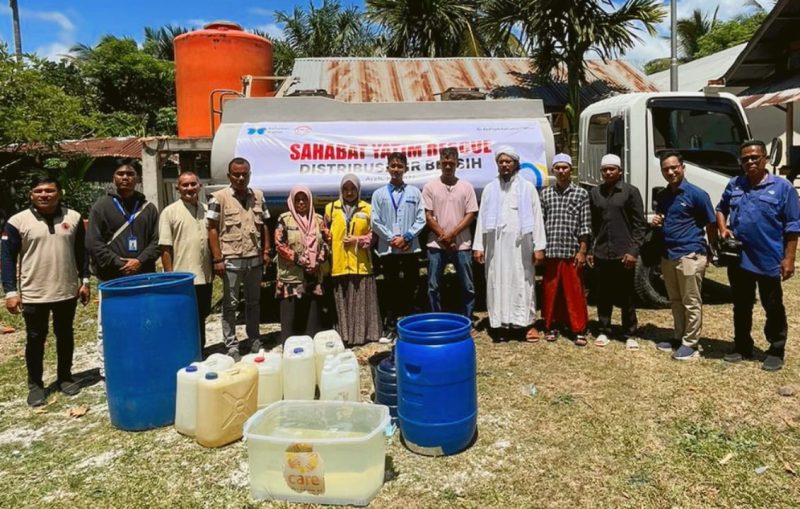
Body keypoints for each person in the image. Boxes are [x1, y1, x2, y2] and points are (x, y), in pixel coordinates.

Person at [2, 176, 91, 406]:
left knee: (65, 334)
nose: (44, 195)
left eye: (50, 190)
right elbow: (7, 258)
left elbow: (82, 252)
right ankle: (36, 385)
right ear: (31, 194)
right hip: (34, 291)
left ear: (59, 193)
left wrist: (86, 281)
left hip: (66, 289)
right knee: (34, 338)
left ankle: (65, 377)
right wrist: (10, 291)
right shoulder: (17, 221)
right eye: (39, 191)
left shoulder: (73, 217)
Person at [716, 139, 800, 371]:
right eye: (745, 159)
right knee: (741, 305)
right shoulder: (734, 185)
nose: (750, 161)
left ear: (765, 158)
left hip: (768, 258)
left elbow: (793, 226)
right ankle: (742, 345)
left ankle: (776, 348)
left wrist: (789, 259)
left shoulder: (783, 188)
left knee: (772, 305)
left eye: (755, 157)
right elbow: (721, 208)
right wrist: (723, 229)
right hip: (739, 259)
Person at [87, 160, 159, 374]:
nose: (125, 177)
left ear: (137, 178)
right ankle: (107, 368)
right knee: (108, 325)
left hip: (143, 275)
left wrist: (139, 261)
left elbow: (157, 241)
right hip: (112, 278)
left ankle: (143, 362)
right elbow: (93, 242)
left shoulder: (148, 208)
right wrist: (119, 263)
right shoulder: (101, 207)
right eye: (120, 173)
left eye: (130, 174)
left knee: (144, 321)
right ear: (113, 178)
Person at [473, 146, 546, 341]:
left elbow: (537, 217)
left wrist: (539, 246)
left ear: (515, 164)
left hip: (521, 247)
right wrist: (479, 245)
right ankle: (501, 325)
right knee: (497, 282)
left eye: (508, 161)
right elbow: (482, 218)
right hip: (495, 247)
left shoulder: (527, 188)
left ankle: (525, 324)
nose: (504, 165)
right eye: (501, 162)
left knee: (523, 282)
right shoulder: (490, 189)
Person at [651, 151, 717, 360]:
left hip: (689, 254)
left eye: (674, 167)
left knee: (691, 301)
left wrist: (710, 249)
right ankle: (678, 336)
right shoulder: (663, 196)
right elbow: (663, 217)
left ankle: (691, 343)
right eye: (666, 169)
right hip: (669, 255)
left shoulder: (697, 194)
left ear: (682, 167)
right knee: (675, 300)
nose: (670, 172)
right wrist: (657, 221)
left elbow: (711, 223)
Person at [208, 157, 272, 361]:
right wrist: (217, 258)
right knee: (230, 304)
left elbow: (264, 226)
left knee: (254, 302)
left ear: (250, 174)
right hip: (231, 259)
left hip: (254, 258)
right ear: (229, 176)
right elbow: (212, 229)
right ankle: (232, 344)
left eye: (245, 173)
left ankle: (254, 339)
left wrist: (266, 251)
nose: (241, 177)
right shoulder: (218, 198)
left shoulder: (258, 196)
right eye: (236, 174)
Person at [587, 154, 646, 349]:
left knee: (626, 294)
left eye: (612, 169)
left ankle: (629, 333)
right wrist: (589, 249)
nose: (608, 172)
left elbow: (639, 225)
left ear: (620, 171)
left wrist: (633, 251)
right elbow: (593, 224)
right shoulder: (595, 193)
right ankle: (604, 329)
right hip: (603, 252)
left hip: (624, 252)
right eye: (605, 169)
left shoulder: (630, 192)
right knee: (603, 293)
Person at [371, 152, 426, 341]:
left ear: (405, 169)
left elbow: (421, 218)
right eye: (393, 166)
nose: (396, 170)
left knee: (412, 287)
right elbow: (375, 221)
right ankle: (390, 326)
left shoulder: (414, 192)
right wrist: (392, 238)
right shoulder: (379, 194)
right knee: (390, 288)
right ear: (387, 168)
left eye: (399, 166)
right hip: (388, 249)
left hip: (410, 248)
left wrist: (407, 236)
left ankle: (412, 326)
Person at [422, 147, 479, 325]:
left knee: (467, 284)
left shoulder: (466, 187)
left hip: (461, 244)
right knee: (433, 285)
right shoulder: (430, 186)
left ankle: (467, 319)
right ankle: (436, 319)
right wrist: (443, 236)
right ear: (439, 163)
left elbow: (471, 214)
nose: (448, 166)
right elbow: (427, 215)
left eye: (451, 163)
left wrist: (452, 234)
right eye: (444, 163)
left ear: (457, 163)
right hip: (436, 245)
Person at [539, 153, 591, 345]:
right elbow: (541, 223)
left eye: (565, 167)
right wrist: (540, 249)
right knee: (551, 291)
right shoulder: (545, 194)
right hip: (551, 250)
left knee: (574, 291)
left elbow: (585, 225)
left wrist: (583, 250)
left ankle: (578, 328)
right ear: (553, 170)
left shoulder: (581, 194)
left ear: (571, 169)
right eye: (558, 168)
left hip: (572, 251)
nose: (561, 171)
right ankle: (551, 325)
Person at [325, 174, 382, 346]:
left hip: (360, 262)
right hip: (339, 262)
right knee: (341, 301)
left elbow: (375, 235)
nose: (349, 193)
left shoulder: (367, 209)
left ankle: (364, 336)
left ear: (358, 190)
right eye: (346, 189)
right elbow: (324, 232)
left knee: (361, 300)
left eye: (353, 189)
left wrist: (358, 240)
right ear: (341, 190)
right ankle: (344, 336)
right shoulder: (331, 208)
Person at [159, 171, 213, 352]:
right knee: (184, 316)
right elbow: (165, 247)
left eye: (193, 184)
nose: (189, 188)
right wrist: (170, 276)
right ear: (177, 188)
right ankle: (184, 350)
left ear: (200, 186)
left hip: (205, 275)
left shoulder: (207, 211)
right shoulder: (169, 212)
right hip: (182, 276)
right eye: (185, 185)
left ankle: (200, 349)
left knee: (202, 315)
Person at [275, 185, 329, 342]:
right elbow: (280, 244)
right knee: (290, 320)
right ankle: (290, 350)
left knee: (312, 319)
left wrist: (318, 261)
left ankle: (310, 349)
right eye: (297, 200)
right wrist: (300, 260)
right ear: (292, 201)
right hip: (292, 275)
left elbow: (327, 242)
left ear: (309, 200)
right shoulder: (284, 219)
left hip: (314, 274)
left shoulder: (318, 220)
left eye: (304, 199)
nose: (300, 203)